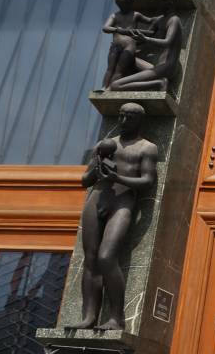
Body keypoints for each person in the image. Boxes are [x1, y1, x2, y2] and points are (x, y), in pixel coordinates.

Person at [75, 103, 157, 330]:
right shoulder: (105, 144)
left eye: (129, 117)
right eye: (121, 116)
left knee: (106, 257)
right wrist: (98, 164)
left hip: (122, 202)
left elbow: (147, 181)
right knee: (90, 259)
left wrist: (118, 178)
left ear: (139, 120)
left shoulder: (147, 148)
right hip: (97, 199)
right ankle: (89, 316)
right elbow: (85, 181)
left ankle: (116, 318)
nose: (123, 122)